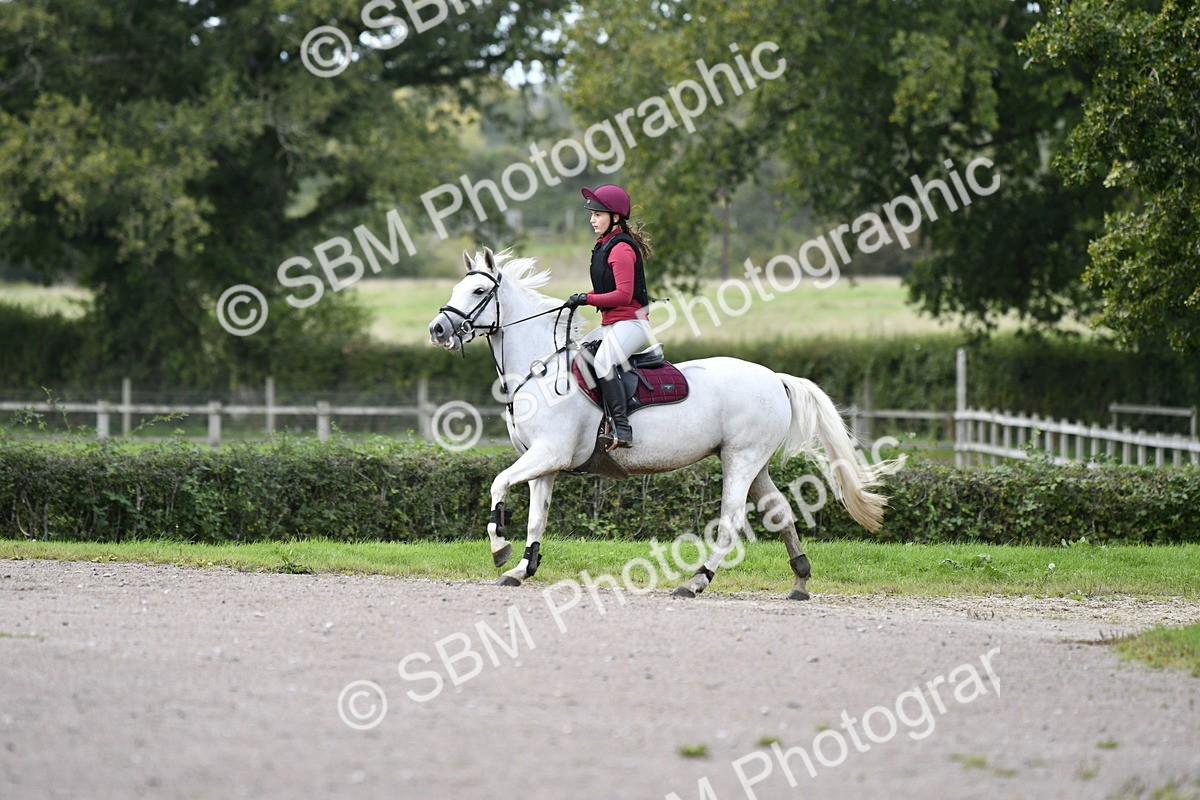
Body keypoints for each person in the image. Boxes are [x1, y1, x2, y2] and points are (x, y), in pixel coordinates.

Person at [565, 183, 652, 449]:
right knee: (579, 355)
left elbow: (623, 296)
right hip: (612, 324)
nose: (592, 219)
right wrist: (582, 296)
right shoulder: (605, 245)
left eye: (598, 214)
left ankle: (622, 429)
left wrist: (586, 299)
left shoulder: (621, 249)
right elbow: (606, 288)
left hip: (632, 324)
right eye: (591, 214)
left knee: (603, 362)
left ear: (615, 217)